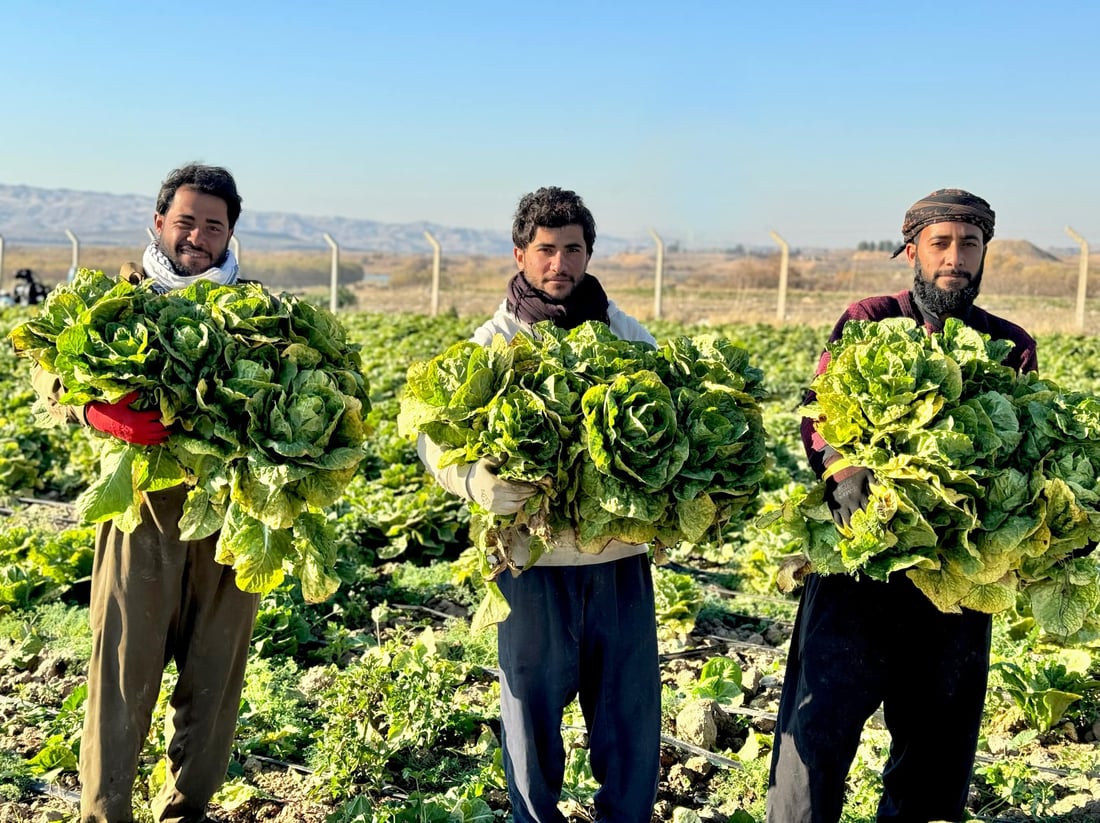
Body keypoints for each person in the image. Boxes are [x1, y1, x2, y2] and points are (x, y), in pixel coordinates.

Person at [766, 188, 1038, 823]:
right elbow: (820, 410)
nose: (955, 257)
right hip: (860, 558)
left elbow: (1026, 448)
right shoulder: (869, 318)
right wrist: (842, 467)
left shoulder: (1010, 344)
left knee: (937, 743)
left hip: (956, 577)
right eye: (940, 243)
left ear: (983, 254)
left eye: (969, 244)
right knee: (819, 730)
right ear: (911, 249)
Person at [418, 187, 661, 823]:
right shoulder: (492, 342)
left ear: (589, 254)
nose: (560, 264)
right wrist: (474, 482)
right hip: (529, 566)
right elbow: (431, 435)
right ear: (521, 253)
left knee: (630, 725)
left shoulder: (626, 335)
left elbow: (681, 415)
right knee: (528, 720)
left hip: (619, 561)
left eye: (573, 250)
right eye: (546, 250)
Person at [32, 163, 257, 823]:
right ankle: (106, 813)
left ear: (229, 234)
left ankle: (186, 808)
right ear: (159, 223)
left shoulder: (257, 305)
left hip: (233, 519)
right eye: (186, 220)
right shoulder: (116, 296)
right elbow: (50, 367)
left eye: (213, 225)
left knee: (215, 680)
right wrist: (97, 412)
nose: (198, 235)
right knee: (122, 679)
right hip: (142, 514)